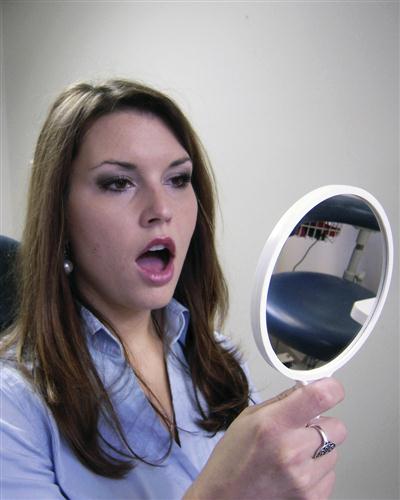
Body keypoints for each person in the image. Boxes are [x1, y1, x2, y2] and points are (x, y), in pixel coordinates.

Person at [0, 79, 346, 499]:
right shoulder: (13, 408)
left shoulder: (218, 360)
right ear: (60, 214)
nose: (161, 209)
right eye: (118, 183)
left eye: (178, 179)